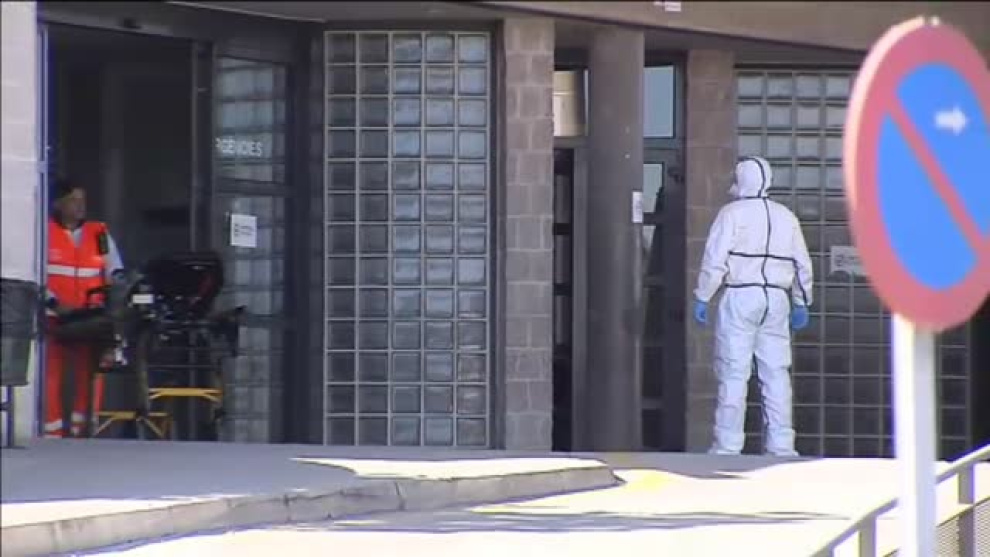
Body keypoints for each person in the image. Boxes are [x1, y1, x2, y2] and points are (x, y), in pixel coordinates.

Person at [692, 156, 813, 457]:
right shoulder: (786, 217)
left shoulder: (731, 214)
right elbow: (802, 264)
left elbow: (715, 260)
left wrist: (703, 295)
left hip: (740, 296)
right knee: (776, 373)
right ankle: (782, 445)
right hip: (777, 299)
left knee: (734, 372)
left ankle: (728, 445)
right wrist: (801, 301)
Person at [44, 178, 124, 438]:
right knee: (50, 374)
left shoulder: (98, 233)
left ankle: (85, 430)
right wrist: (53, 303)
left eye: (82, 201)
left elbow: (114, 270)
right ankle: (52, 432)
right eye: (73, 200)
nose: (80, 206)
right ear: (58, 204)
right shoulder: (44, 233)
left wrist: (114, 302)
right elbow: (34, 273)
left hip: (91, 317)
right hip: (55, 317)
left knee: (89, 374)